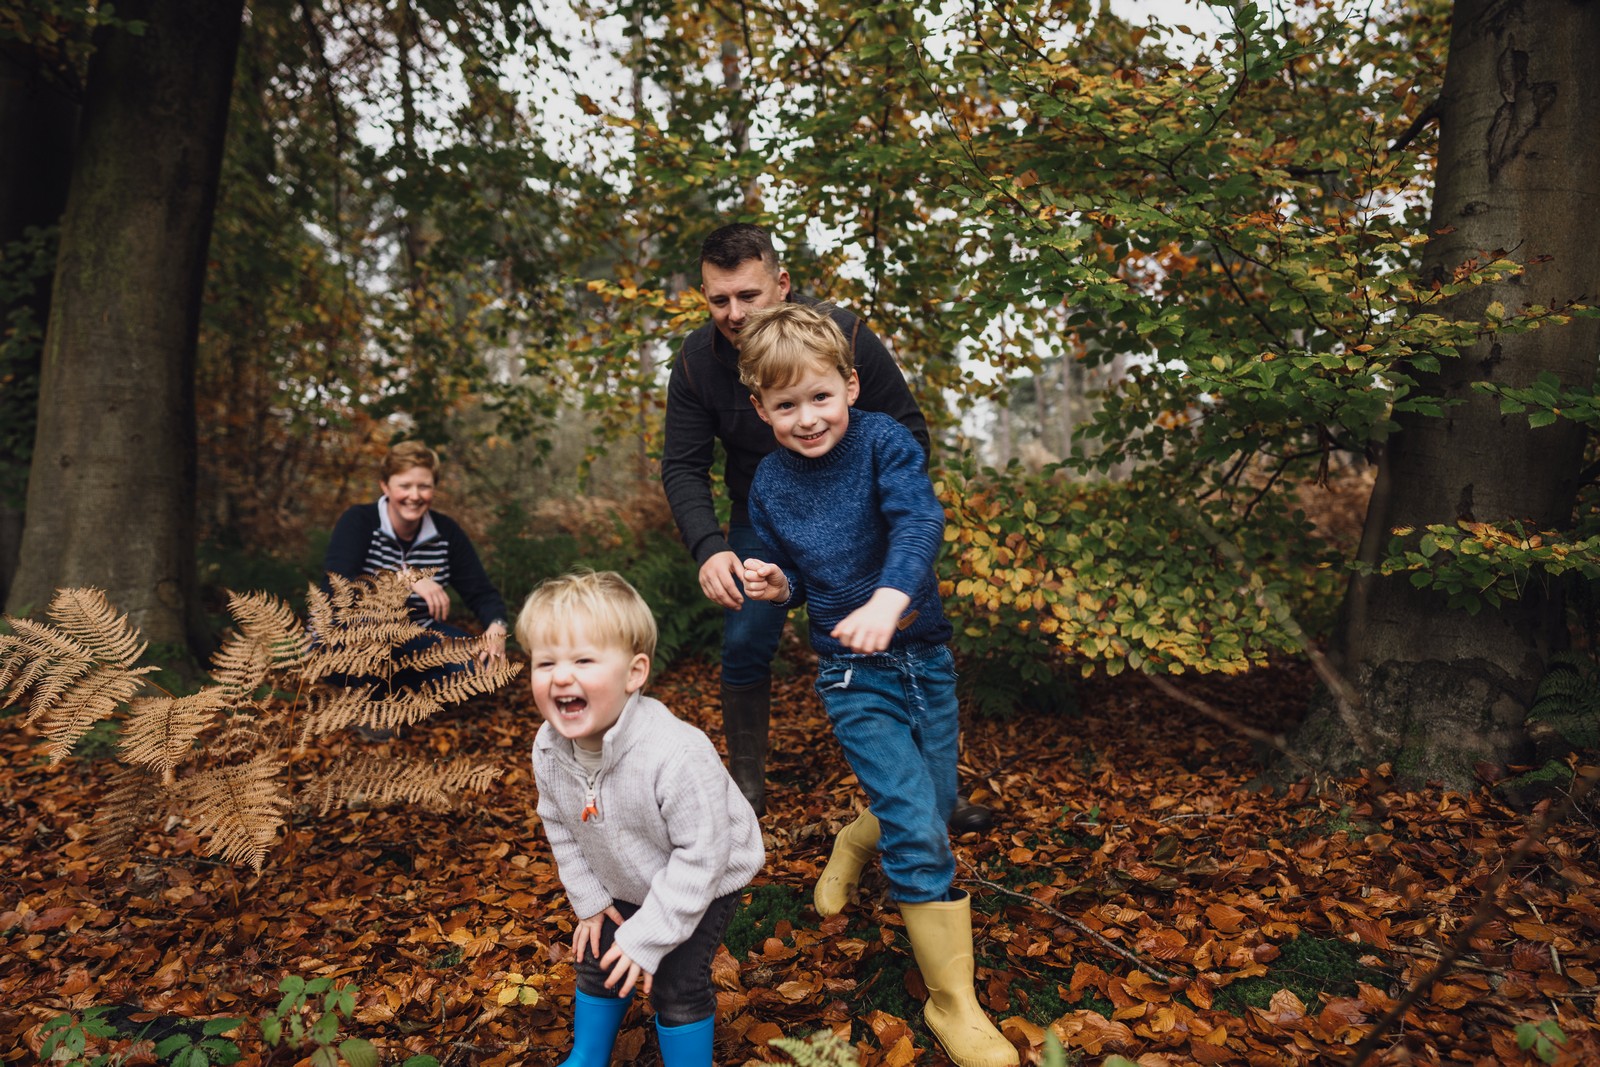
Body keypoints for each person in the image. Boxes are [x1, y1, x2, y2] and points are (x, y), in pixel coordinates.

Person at [735, 303, 1018, 1067]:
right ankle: (951, 1002)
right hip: (852, 671)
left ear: (851, 386)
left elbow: (918, 522)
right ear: (761, 409)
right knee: (920, 828)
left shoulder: (884, 442)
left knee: (935, 805)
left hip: (924, 656)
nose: (806, 417)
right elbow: (797, 572)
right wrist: (778, 584)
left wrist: (891, 598)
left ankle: (856, 837)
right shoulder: (769, 482)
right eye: (786, 405)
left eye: (820, 396)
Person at [660, 222, 992, 831]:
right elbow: (683, 465)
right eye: (719, 300)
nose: (734, 314)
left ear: (782, 283)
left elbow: (908, 431)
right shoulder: (695, 362)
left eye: (748, 295)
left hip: (864, 500)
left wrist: (866, 508)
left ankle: (935, 793)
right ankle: (748, 790)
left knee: (905, 635)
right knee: (744, 637)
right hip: (766, 510)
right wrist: (709, 547)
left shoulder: (844, 336)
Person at [519, 570, 764, 1067]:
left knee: (676, 982)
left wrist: (645, 936)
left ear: (634, 674)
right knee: (596, 957)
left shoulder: (674, 753)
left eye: (583, 660)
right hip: (625, 871)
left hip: (705, 875)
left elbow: (702, 857)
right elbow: (559, 824)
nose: (560, 676)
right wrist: (589, 900)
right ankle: (587, 1055)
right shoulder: (548, 747)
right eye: (545, 662)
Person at [323, 440, 508, 683]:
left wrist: (497, 627)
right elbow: (337, 587)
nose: (415, 496)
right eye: (405, 486)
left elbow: (481, 592)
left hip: (419, 634)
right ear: (385, 486)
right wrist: (403, 579)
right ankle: (379, 695)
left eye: (424, 486)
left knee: (477, 666)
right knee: (362, 659)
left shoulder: (446, 532)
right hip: (355, 632)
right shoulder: (359, 521)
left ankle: (404, 693)